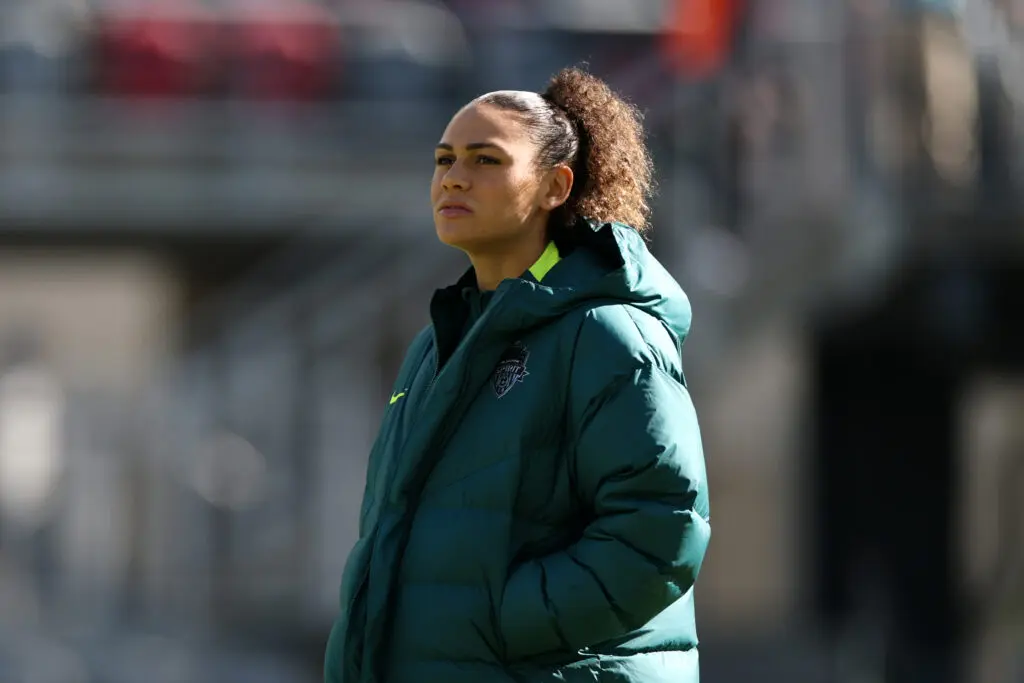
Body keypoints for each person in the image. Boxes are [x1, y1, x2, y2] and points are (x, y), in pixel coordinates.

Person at [324, 67, 711, 683]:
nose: (453, 176)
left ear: (556, 187)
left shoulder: (607, 334)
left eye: (486, 160)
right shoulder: (436, 344)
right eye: (444, 158)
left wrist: (502, 624)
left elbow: (657, 531)